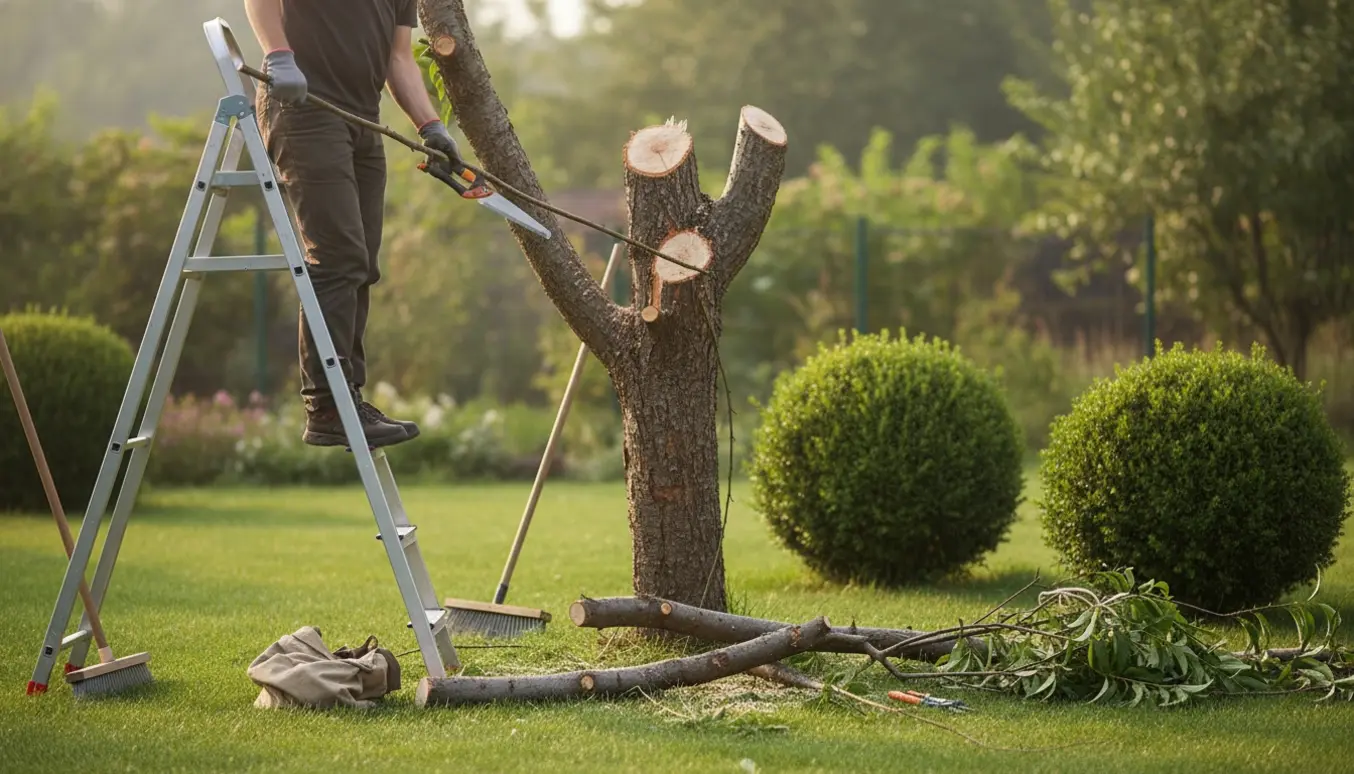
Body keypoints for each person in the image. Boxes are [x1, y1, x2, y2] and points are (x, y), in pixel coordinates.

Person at [243, 0, 462, 448]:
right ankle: (327, 407)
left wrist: (431, 126)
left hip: (362, 119)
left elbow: (398, 58)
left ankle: (349, 398)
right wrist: (278, 55)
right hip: (304, 109)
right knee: (337, 258)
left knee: (361, 265)